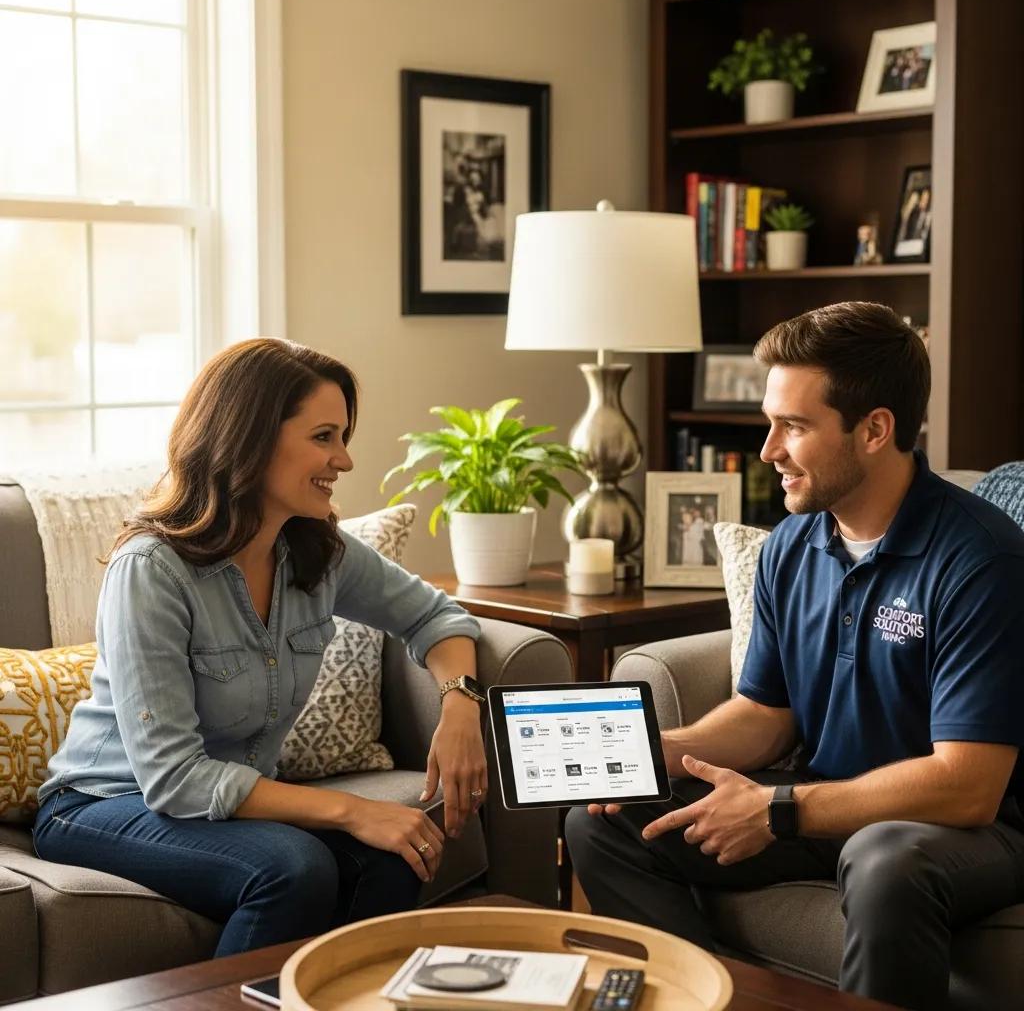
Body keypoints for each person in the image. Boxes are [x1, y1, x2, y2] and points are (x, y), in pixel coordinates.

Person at [566, 301, 1024, 1011]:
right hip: (823, 796)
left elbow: (968, 785)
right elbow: (765, 717)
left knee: (884, 863)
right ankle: (711, 998)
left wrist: (779, 810)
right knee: (607, 819)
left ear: (875, 429)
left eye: (795, 427)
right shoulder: (790, 544)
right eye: (770, 422)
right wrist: (661, 751)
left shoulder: (981, 560)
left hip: (968, 829)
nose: (767, 450)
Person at [33, 339, 488, 956]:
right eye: (324, 436)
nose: (345, 460)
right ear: (250, 438)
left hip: (226, 803)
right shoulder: (152, 568)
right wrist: (351, 811)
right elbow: (173, 778)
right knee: (290, 866)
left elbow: (438, 616)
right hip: (102, 805)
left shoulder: (319, 552)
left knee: (399, 857)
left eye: (343, 436)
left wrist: (460, 708)